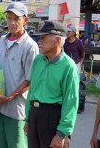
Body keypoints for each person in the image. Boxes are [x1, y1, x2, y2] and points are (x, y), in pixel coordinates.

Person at [0, 2, 39, 148]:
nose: (12, 22)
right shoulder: (3, 40)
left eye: (16, 19)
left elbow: (30, 79)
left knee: (17, 145)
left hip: (17, 109)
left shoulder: (30, 46)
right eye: (9, 18)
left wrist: (9, 97)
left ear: (25, 20)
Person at [24, 20, 79, 148]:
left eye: (43, 38)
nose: (39, 41)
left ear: (58, 40)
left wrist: (61, 133)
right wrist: (28, 119)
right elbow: (32, 91)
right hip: (34, 115)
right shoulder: (38, 60)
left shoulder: (68, 66)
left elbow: (71, 103)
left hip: (53, 117)